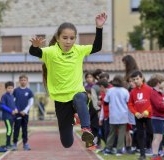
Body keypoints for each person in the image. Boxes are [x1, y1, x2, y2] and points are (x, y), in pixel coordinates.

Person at [29, 12, 107, 148]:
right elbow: (35, 53)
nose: (68, 41)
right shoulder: (51, 52)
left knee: (80, 97)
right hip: (60, 99)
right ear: (58, 38)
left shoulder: (78, 50)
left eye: (72, 38)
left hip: (77, 93)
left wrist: (99, 28)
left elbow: (97, 47)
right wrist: (35, 46)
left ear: (75, 39)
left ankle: (86, 130)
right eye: (65, 38)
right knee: (67, 143)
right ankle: (73, 117)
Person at [128, 70, 153, 160]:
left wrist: (147, 111)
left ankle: (156, 150)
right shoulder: (133, 92)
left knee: (151, 133)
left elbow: (153, 102)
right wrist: (136, 113)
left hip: (148, 116)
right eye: (134, 79)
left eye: (137, 79)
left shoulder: (149, 89)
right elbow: (130, 104)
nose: (136, 81)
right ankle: (142, 154)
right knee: (140, 134)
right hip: (138, 117)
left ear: (142, 78)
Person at [102, 75, 130, 156]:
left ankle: (108, 148)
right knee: (121, 133)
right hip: (123, 114)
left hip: (113, 114)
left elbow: (105, 102)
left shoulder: (110, 91)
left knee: (112, 132)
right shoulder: (125, 91)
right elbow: (128, 102)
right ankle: (119, 150)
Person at [147, 74, 164, 160]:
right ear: (158, 83)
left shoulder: (159, 93)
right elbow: (160, 106)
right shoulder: (154, 93)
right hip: (157, 118)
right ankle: (155, 155)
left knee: (158, 137)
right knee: (158, 137)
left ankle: (156, 154)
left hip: (160, 118)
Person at [12, 74, 34, 151]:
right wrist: (16, 109)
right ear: (19, 81)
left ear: (27, 81)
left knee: (25, 129)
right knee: (16, 128)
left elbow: (30, 102)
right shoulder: (16, 90)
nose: (23, 81)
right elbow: (13, 101)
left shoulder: (29, 91)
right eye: (21, 80)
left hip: (25, 114)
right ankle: (14, 144)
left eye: (24, 80)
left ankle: (25, 144)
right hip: (17, 113)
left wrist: (25, 111)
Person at [0, 81, 18, 149]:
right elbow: (2, 105)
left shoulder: (12, 96)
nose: (10, 89)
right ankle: (7, 144)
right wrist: (11, 111)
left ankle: (9, 144)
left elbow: (14, 105)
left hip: (12, 117)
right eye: (9, 88)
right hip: (7, 117)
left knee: (11, 130)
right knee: (9, 130)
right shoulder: (4, 96)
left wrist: (16, 109)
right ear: (6, 88)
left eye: (11, 88)